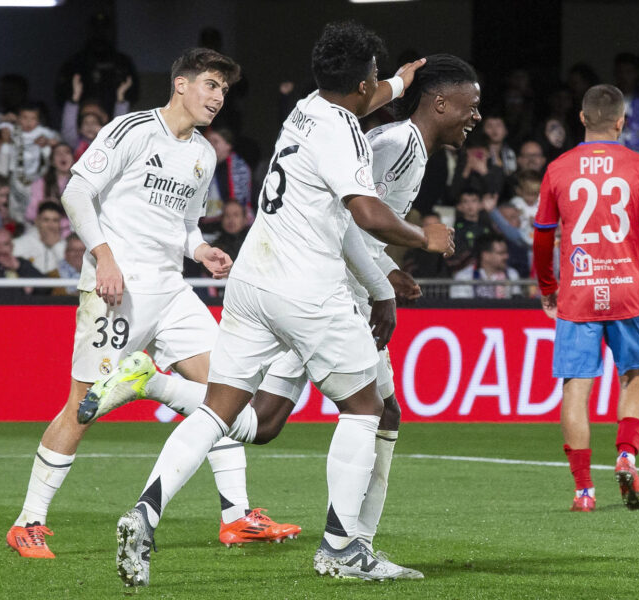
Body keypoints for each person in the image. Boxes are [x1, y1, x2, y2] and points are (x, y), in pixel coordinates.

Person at [110, 23, 454, 586]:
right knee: (366, 408)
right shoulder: (344, 132)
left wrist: (398, 79)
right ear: (361, 83)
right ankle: (343, 551)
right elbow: (365, 214)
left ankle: (144, 511)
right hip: (308, 289)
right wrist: (424, 237)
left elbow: (369, 94)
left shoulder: (306, 106)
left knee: (222, 410)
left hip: (251, 281)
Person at [5, 48, 296, 561]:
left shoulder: (203, 154)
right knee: (83, 405)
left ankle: (237, 516)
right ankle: (28, 522)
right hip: (117, 287)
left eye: (223, 90)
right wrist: (105, 259)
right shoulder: (132, 130)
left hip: (172, 290)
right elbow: (76, 192)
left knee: (225, 392)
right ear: (180, 84)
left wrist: (200, 249)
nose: (217, 97)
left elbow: (183, 226)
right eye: (209, 85)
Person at [533, 84, 639, 513]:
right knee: (633, 376)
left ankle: (583, 492)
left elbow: (542, 237)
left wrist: (546, 287)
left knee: (577, 388)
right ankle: (626, 457)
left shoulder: (558, 168)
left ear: (581, 119)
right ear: (620, 122)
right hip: (628, 290)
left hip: (577, 292)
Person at [450, 233, 521, 299]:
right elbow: (460, 308)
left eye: (506, 252)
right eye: (501, 253)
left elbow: (516, 304)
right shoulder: (464, 277)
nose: (506, 256)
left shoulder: (511, 274)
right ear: (485, 255)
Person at [13, 201, 66, 274]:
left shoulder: (66, 246)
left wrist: (55, 246)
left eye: (55, 220)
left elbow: (69, 270)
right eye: (46, 220)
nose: (51, 225)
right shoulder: (20, 243)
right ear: (37, 221)